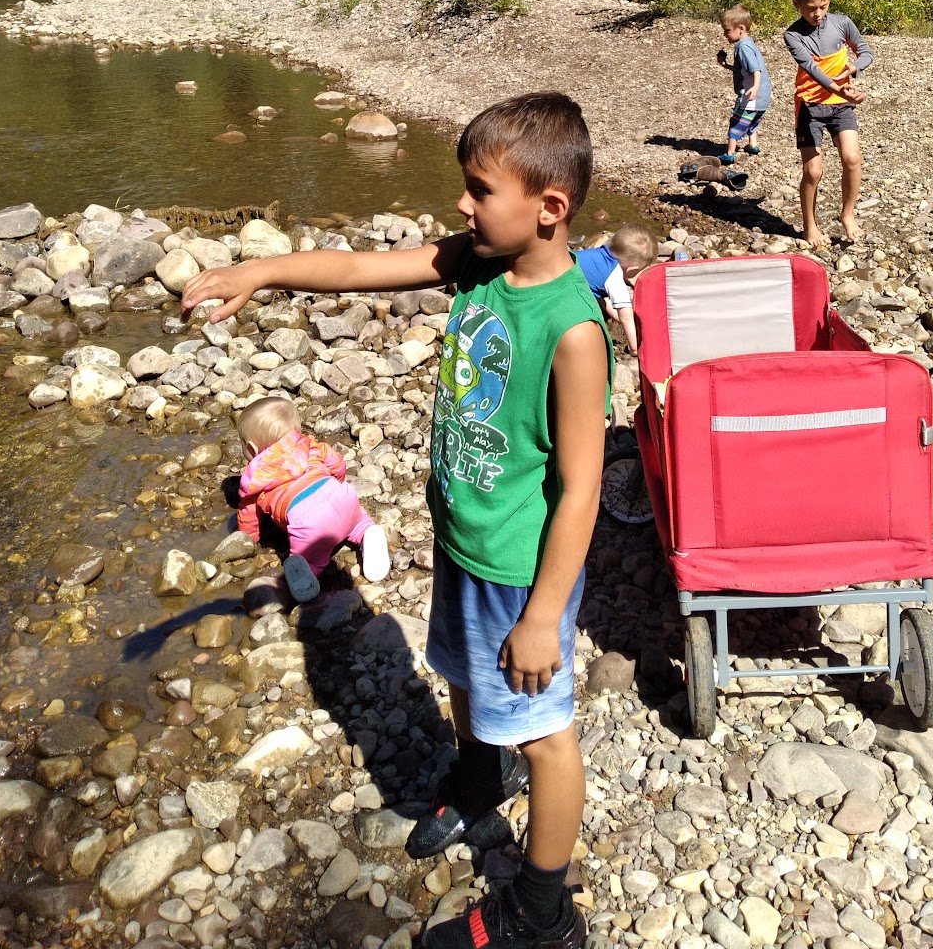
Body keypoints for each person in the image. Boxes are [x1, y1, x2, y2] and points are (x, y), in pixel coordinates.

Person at [182, 92, 611, 949]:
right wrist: (258, 273)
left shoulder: (572, 331)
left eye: (480, 190)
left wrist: (540, 616)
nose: (462, 204)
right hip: (464, 540)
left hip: (521, 569)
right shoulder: (481, 264)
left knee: (545, 732)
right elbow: (358, 270)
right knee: (458, 673)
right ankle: (478, 783)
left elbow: (583, 488)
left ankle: (543, 909)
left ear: (549, 209)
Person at [236, 397, 391, 600]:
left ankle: (307, 577)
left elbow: (248, 514)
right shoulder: (312, 445)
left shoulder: (255, 477)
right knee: (359, 522)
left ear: (252, 449)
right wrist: (335, 483)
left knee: (310, 560)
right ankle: (367, 533)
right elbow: (338, 465)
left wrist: (248, 539)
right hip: (342, 497)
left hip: (307, 520)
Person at [783, 0, 874, 248]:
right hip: (810, 107)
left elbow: (866, 51)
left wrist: (855, 66)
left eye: (823, 6)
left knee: (852, 158)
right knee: (813, 172)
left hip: (840, 106)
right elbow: (811, 70)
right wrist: (837, 87)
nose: (818, 14)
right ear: (797, 5)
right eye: (811, 9)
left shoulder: (843, 23)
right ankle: (810, 227)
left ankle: (847, 214)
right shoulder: (793, 35)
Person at [575, 223, 657, 354]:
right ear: (633, 269)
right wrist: (635, 348)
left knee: (596, 298)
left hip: (557, 278)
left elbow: (602, 299)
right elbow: (627, 317)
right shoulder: (614, 276)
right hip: (565, 298)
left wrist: (616, 316)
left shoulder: (596, 253)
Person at [717, 5, 771, 161]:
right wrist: (725, 65)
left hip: (752, 95)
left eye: (727, 30)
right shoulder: (748, 43)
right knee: (752, 120)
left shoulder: (743, 47)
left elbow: (755, 70)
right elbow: (744, 70)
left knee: (736, 121)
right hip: (763, 95)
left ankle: (729, 154)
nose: (725, 34)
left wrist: (754, 87)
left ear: (740, 28)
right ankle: (752, 145)